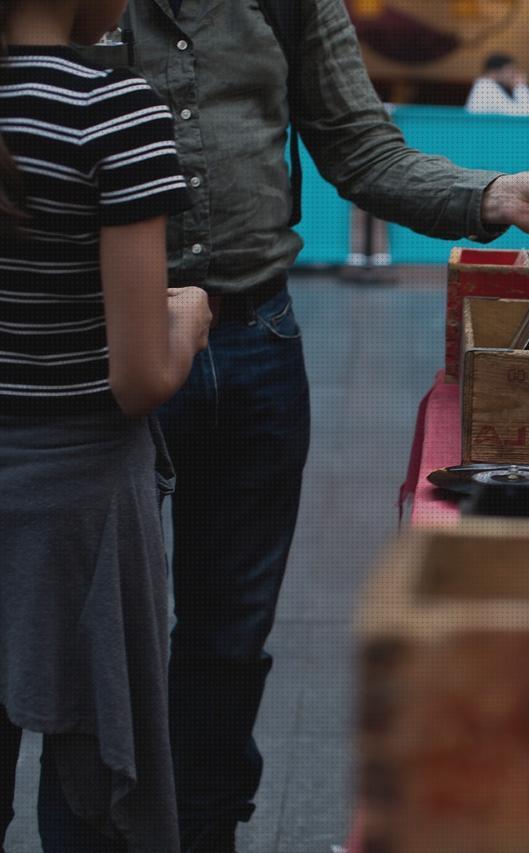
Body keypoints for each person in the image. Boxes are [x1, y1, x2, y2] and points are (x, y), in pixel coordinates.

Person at [108, 1, 529, 850]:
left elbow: (360, 147)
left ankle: (204, 831)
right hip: (104, 349)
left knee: (229, 636)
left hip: (253, 339)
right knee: (96, 637)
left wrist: (496, 196)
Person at [0, 0, 211, 849]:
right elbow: (140, 379)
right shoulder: (113, 108)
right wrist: (189, 314)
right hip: (81, 503)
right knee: (94, 790)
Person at [464, 53, 529, 117]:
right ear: (494, 71)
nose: (514, 74)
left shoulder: (485, 85)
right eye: (511, 70)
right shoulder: (486, 87)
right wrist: (521, 86)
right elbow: (528, 113)